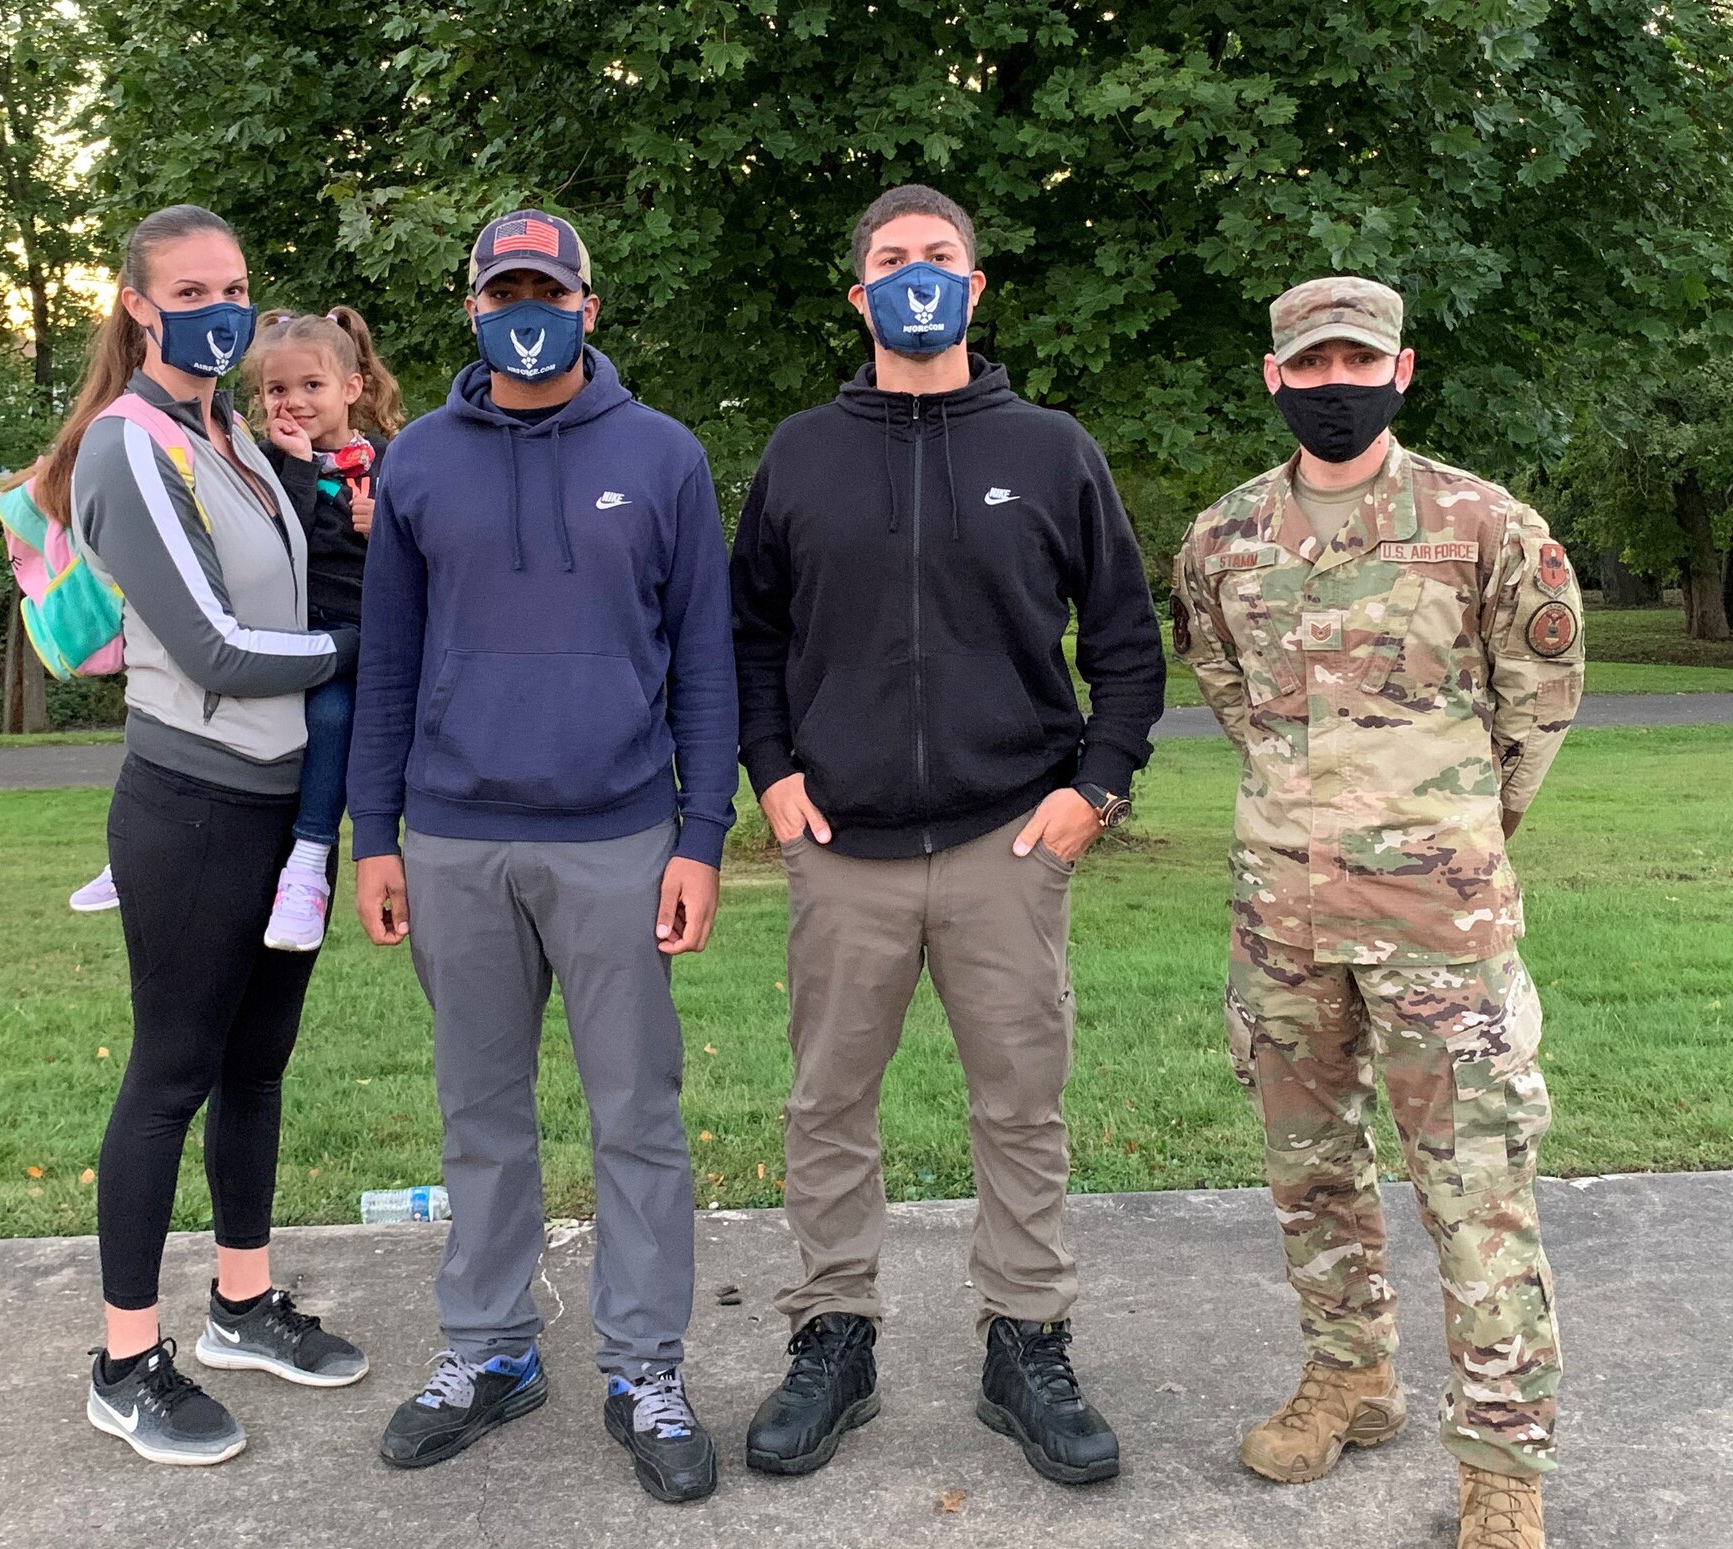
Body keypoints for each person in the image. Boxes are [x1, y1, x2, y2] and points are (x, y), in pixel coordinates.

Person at [729, 184, 1163, 1487]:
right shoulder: (802, 453)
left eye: (940, 258)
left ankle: (1024, 1343)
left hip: (1006, 845)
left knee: (1020, 1109)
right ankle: (833, 1337)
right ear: (857, 296)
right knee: (827, 1103)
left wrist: (1096, 789)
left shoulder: (1050, 448)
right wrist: (770, 772)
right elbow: (748, 635)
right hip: (841, 848)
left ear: (977, 288)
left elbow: (1132, 649)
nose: (917, 276)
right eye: (891, 261)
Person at [1169, 276, 1583, 1549]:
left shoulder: (1481, 525)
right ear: (1272, 376)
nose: (1333, 383)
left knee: (1475, 1189)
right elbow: (1228, 687)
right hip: (1280, 918)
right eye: (1311, 364)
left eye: (1358, 361)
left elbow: (1537, 700)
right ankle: (1350, 1378)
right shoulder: (1222, 538)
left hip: (1436, 929)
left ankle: (1500, 1464)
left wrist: (1445, 832)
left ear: (1400, 373)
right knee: (1311, 1174)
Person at [348, 210, 738, 1504]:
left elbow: (708, 666)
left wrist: (699, 837)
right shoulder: (417, 465)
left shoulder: (664, 457)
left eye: (548, 288)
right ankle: (491, 1351)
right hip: (454, 838)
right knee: (482, 1116)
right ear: (472, 309)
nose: (528, 308)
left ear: (588, 303)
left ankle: (645, 1370)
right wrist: (375, 835)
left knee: (636, 1116)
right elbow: (388, 665)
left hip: (619, 836)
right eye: (505, 290)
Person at [46, 204, 369, 1467]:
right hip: (190, 805)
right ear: (137, 304)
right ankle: (126, 1361)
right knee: (170, 1075)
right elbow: (217, 654)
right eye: (189, 288)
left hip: (286, 809)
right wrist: (368, 655)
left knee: (257, 1066)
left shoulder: (227, 426)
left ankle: (241, 1302)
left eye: (233, 283)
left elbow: (308, 565)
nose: (217, 308)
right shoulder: (129, 447)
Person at [246, 305, 404, 950]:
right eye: (277, 389)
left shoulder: (395, 462)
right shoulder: (262, 465)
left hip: (375, 635)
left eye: (312, 386)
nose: (295, 401)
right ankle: (302, 861)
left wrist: (387, 531)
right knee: (312, 719)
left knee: (358, 725)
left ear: (352, 388)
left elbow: (437, 554)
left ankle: (324, 861)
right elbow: (277, 547)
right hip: (300, 635)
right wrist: (298, 465)